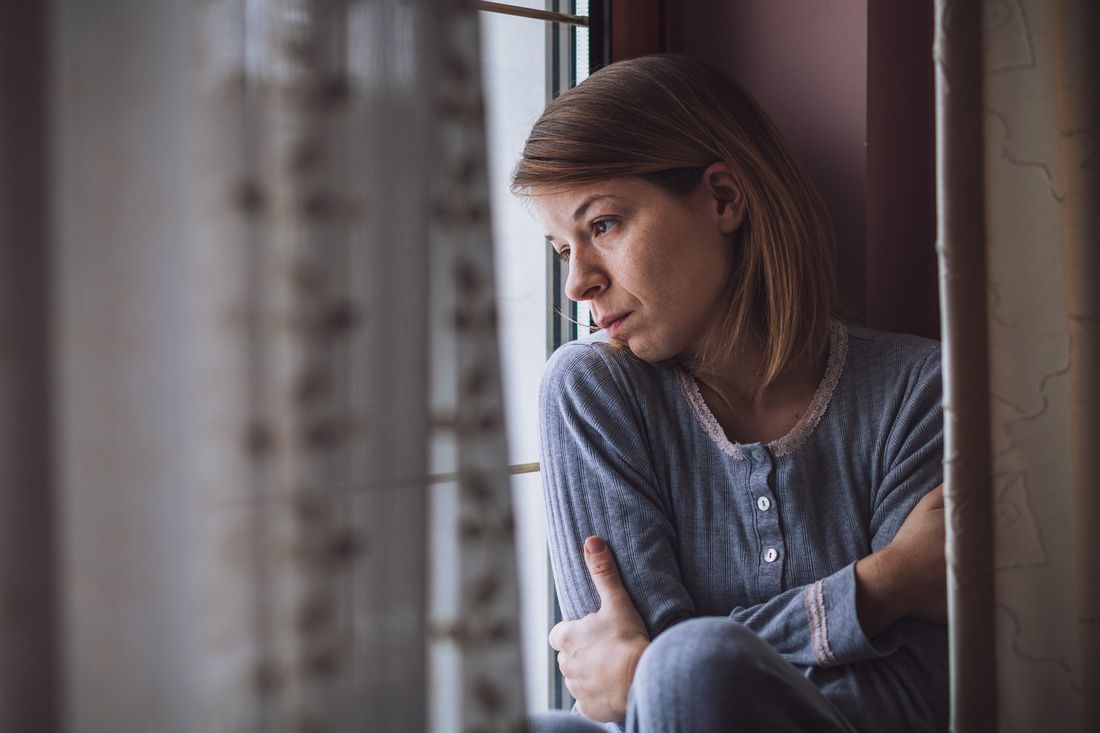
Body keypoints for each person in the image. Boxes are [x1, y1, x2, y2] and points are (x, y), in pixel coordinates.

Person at [511, 55, 947, 733]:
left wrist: (653, 667)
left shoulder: (919, 391)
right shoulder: (591, 391)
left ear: (722, 198)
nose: (577, 284)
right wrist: (882, 585)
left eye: (602, 226)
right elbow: (638, 701)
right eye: (562, 249)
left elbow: (910, 699)